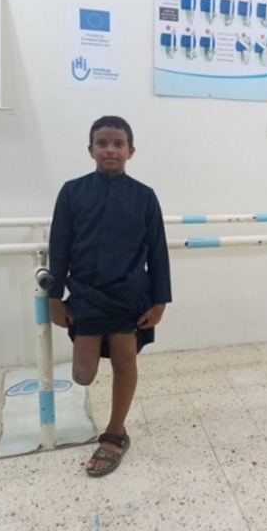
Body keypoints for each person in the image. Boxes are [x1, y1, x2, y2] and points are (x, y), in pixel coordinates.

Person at [47, 115, 172, 477]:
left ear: (131, 151)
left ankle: (115, 434)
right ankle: (109, 419)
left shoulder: (144, 197)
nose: (110, 150)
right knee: (83, 374)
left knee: (124, 360)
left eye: (118, 144)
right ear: (90, 150)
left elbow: (158, 251)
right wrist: (55, 296)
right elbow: (60, 245)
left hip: (129, 294)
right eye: (102, 143)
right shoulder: (72, 192)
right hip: (85, 294)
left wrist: (160, 299)